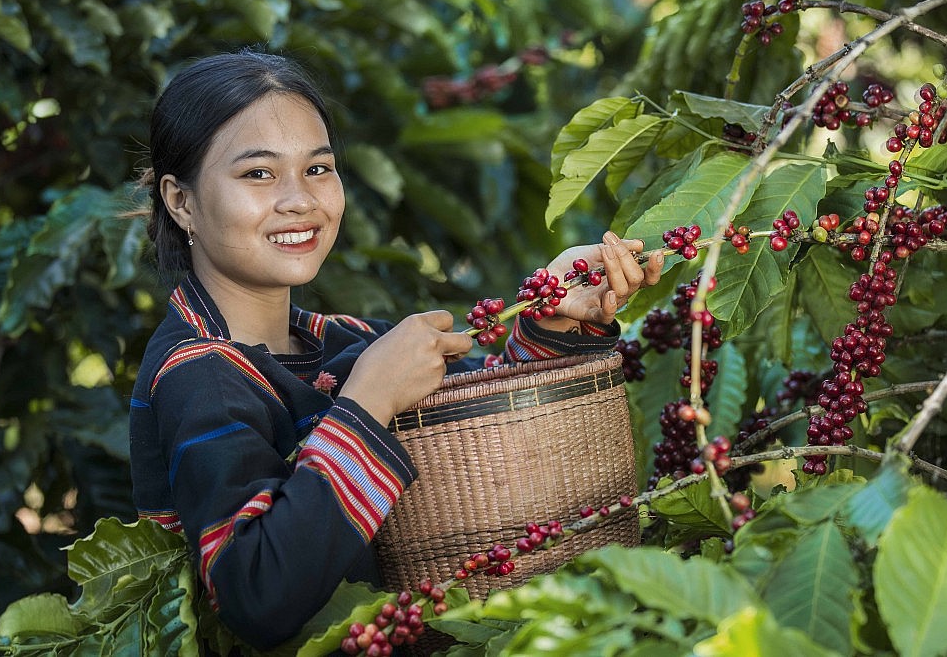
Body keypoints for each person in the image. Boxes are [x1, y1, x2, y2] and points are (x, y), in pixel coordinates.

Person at [128, 49, 664, 650]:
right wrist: (368, 402)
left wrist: (553, 319)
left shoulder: (346, 340)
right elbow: (256, 596)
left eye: (318, 168)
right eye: (258, 174)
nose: (299, 199)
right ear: (181, 201)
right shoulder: (199, 374)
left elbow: (474, 443)